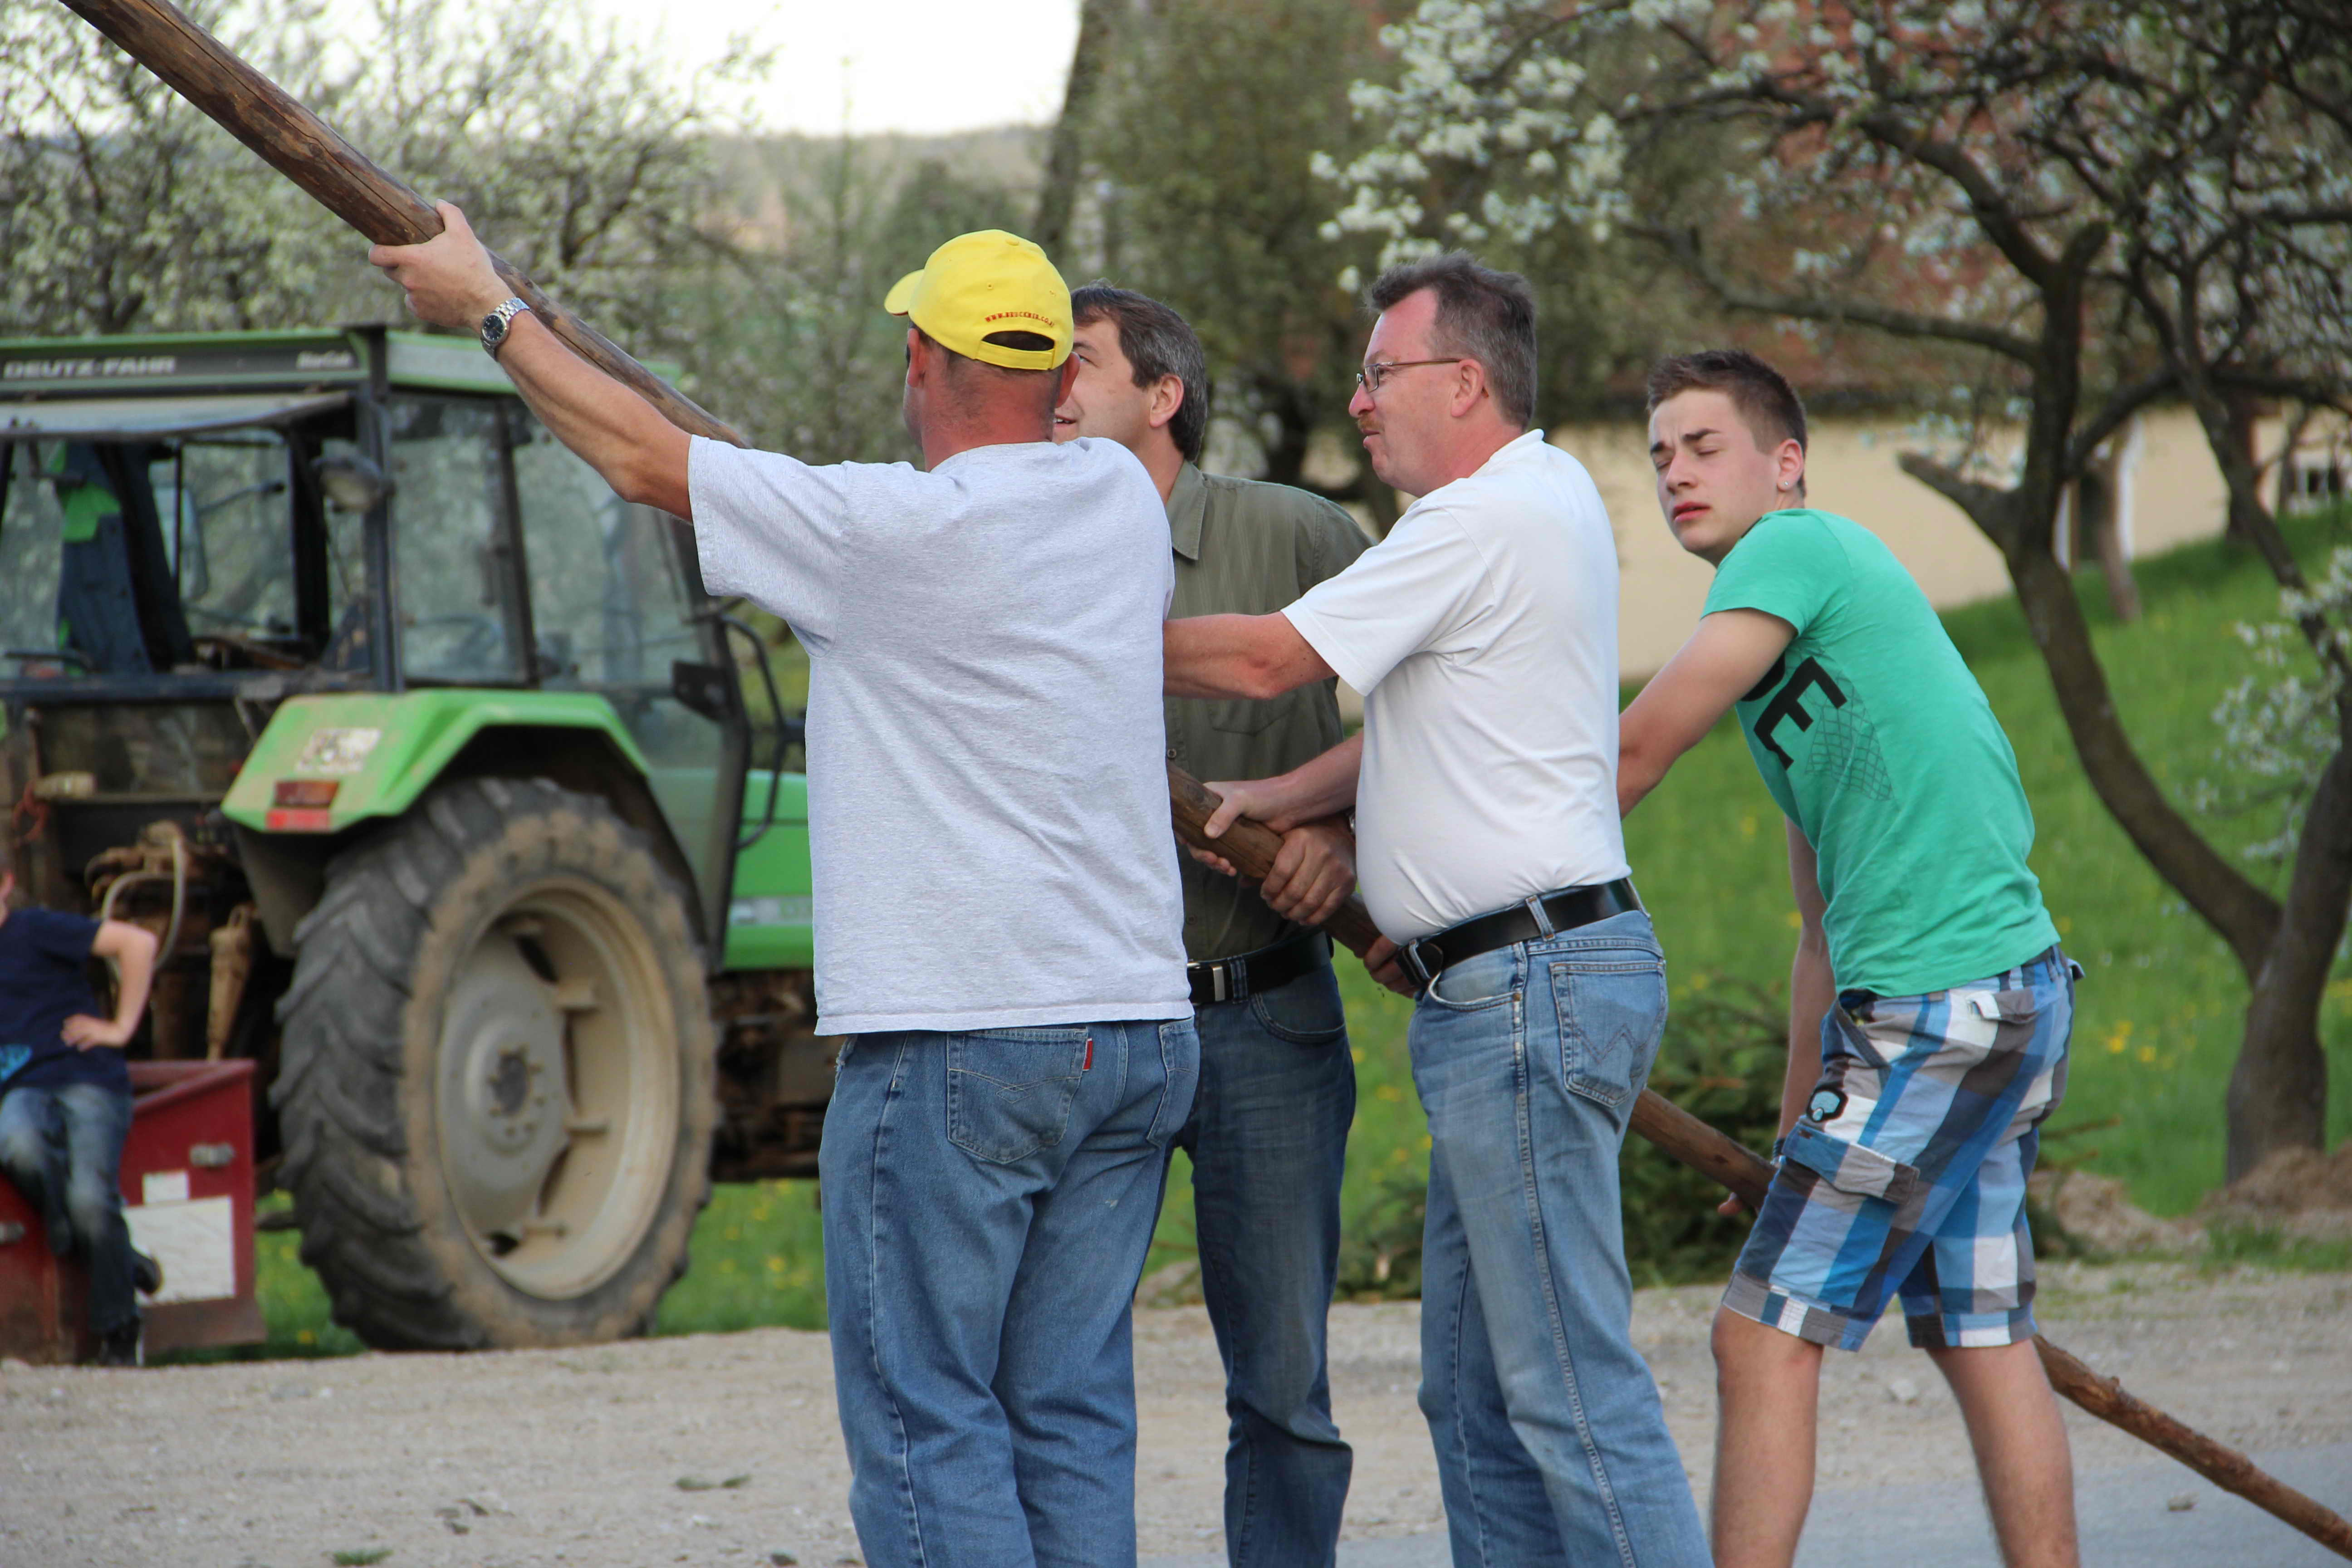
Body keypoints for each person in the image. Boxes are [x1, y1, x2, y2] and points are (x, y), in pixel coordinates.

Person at [370, 218, 1198, 1568]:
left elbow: (641, 457)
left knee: (930, 1423)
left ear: (922, 358)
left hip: (961, 1038)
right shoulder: (1115, 499)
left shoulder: (886, 532)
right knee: (1069, 1416)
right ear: (1058, 377)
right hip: (1135, 1033)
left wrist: (490, 306)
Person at [1161, 254, 1709, 1568]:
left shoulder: (1476, 521)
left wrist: (1039, 620)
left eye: (1379, 373)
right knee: (1472, 1398)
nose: (1358, 401)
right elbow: (1435, 723)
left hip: (1528, 992)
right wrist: (1280, 793)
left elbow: (1263, 658)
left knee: (1568, 1393)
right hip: (1508, 992)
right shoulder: (1546, 501)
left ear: (1465, 382)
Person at [1617, 348, 2078, 1568]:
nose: (1675, 474)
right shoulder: (1797, 681)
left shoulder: (1797, 547)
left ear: (1787, 465)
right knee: (1984, 1340)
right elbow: (1819, 939)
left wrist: (1453, 879)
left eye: (1701, 447)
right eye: (1659, 454)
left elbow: (1633, 755)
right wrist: (1786, 1146)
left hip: (1942, 1006)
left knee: (1759, 1338)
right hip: (2000, 996)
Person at [1054, 283, 1366, 1568]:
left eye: (1075, 363)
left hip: (1269, 1024)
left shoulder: (1295, 535)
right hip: (1084, 1028)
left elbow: (1445, 706)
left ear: (1163, 394)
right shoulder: (1029, 542)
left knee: (1283, 1390)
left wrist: (1346, 840)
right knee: (1065, 1377)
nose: (1049, 388)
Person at [0, 839, 162, 1366]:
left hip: (86, 1079)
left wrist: (121, 1027)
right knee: (17, 1145)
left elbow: (136, 943)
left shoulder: (36, 929)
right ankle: (112, 1253)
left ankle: (120, 1330)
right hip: (22, 1088)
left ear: (5, 885)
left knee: (93, 1199)